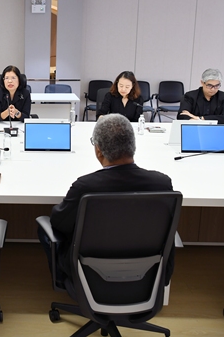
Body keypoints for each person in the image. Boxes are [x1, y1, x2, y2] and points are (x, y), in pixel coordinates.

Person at [41, 114, 174, 282]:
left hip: (90, 275)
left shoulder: (85, 187)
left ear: (98, 150)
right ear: (133, 145)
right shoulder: (161, 183)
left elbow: (59, 222)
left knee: (45, 230)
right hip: (147, 276)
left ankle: (65, 280)